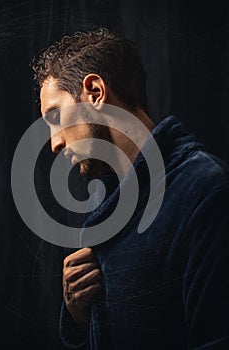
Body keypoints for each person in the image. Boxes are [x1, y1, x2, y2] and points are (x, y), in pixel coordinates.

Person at [32, 28, 229, 349]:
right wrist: (79, 316)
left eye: (55, 116)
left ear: (95, 92)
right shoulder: (108, 207)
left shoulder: (205, 190)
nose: (54, 143)